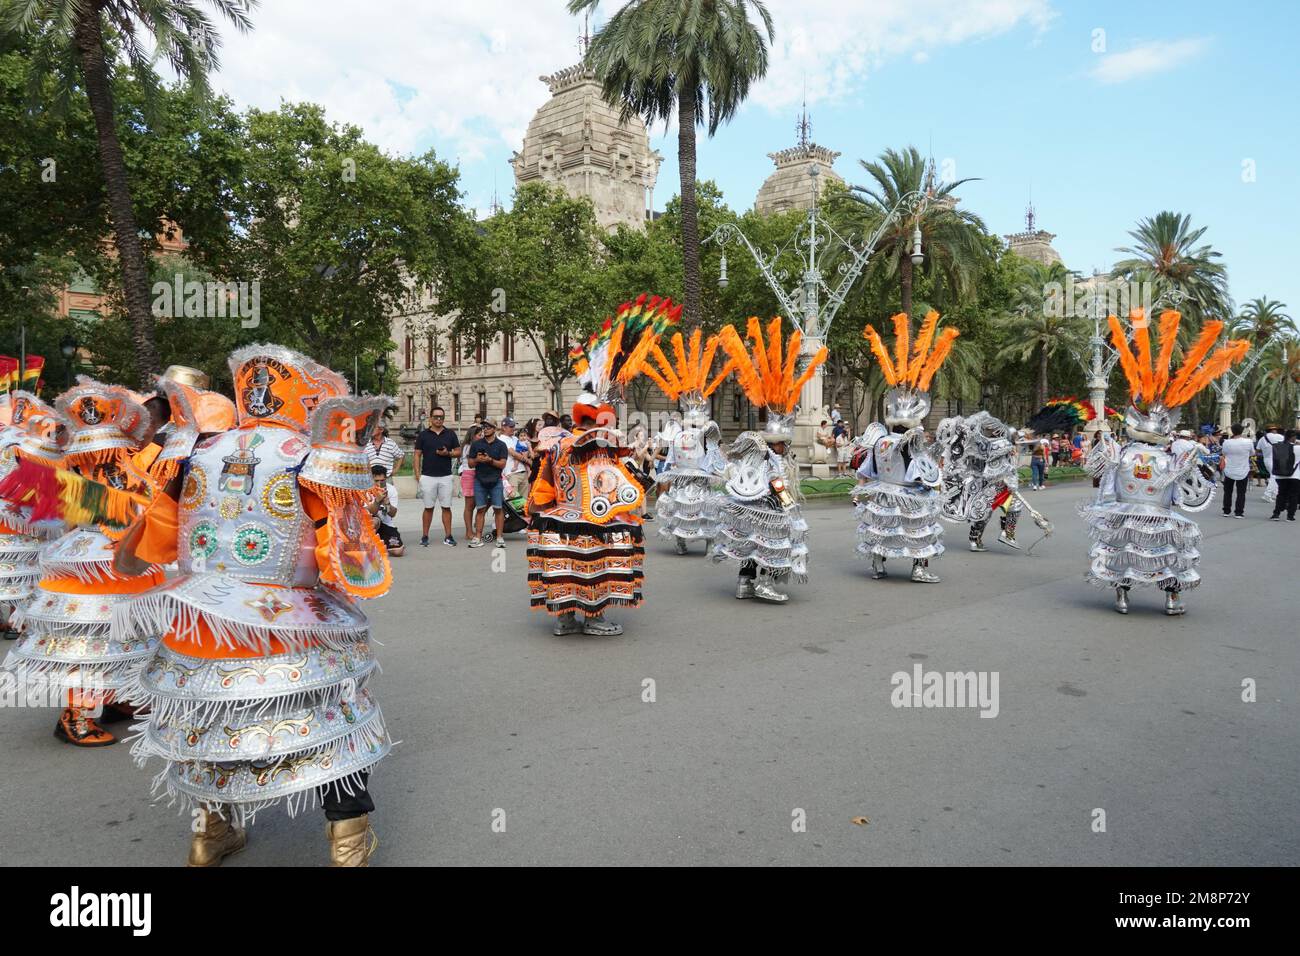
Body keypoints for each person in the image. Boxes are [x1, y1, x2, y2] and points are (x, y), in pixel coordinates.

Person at [113, 346, 395, 865]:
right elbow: (346, 556)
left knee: (208, 721)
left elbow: (158, 535)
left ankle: (211, 832)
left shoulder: (195, 448)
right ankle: (347, 837)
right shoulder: (312, 453)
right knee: (334, 716)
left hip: (203, 619)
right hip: (290, 622)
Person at [0, 378, 170, 747]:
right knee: (95, 636)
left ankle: (115, 698)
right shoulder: (114, 458)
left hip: (110, 552)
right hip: (99, 556)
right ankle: (75, 715)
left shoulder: (104, 457)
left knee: (125, 631)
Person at [526, 294, 675, 635]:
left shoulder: (556, 441)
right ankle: (592, 618)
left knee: (566, 569)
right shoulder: (599, 443)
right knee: (593, 567)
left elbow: (543, 484)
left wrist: (539, 509)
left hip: (559, 518)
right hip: (595, 519)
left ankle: (565, 619)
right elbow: (616, 484)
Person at [1082, 309, 1248, 615]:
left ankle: (1127, 597)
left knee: (1126, 556)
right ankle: (1170, 599)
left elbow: (1095, 472)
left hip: (1129, 514)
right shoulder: (1166, 455)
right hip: (1157, 516)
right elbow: (1194, 492)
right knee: (1167, 556)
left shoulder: (1131, 452)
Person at [711, 317, 827, 603]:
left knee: (751, 544)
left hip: (747, 509)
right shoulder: (773, 457)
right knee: (774, 546)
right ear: (782, 442)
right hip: (769, 511)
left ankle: (744, 583)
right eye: (784, 444)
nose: (785, 448)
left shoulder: (757, 450)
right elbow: (777, 484)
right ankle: (765, 584)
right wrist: (791, 508)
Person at [853, 311, 957, 583]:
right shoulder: (912, 443)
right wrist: (935, 484)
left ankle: (877, 564)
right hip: (908, 495)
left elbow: (867, 471)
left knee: (883, 529)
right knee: (920, 530)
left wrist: (862, 491)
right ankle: (920, 567)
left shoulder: (879, 440)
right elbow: (920, 472)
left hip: (883, 493)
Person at [617, 326, 729, 555]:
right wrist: (664, 468)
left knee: (707, 510)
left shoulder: (706, 432)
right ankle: (680, 540)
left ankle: (708, 542)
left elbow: (714, 449)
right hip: (682, 477)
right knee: (681, 509)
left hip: (701, 477)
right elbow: (667, 453)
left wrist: (719, 468)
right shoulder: (677, 433)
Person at [412, 407, 459, 547]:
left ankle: (448, 536)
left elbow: (458, 451)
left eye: (441, 417)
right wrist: (417, 473)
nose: (439, 419)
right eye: (436, 417)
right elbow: (417, 454)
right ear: (430, 418)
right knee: (428, 507)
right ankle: (425, 536)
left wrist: (448, 454)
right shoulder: (423, 435)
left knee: (446, 507)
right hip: (427, 476)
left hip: (445, 476)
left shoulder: (450, 434)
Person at [468, 420, 508, 548]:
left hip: (496, 480)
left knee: (498, 509)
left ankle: (500, 537)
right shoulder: (476, 444)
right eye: (484, 427)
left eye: (488, 427)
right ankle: (478, 537)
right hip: (479, 480)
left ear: (495, 428)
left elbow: (502, 464)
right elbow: (470, 463)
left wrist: (490, 460)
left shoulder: (501, 445)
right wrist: (477, 459)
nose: (485, 429)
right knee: (480, 509)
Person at [368, 463, 405, 556]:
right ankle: (368, 545)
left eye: (382, 480)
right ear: (371, 479)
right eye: (376, 480)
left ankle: (380, 543)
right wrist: (377, 501)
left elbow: (393, 514)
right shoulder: (365, 489)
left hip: (386, 524)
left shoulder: (391, 489)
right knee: (374, 521)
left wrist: (387, 504)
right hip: (369, 524)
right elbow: (371, 512)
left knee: (398, 552)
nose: (379, 483)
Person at [1219, 422, 1254, 517]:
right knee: (1241, 492)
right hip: (1243, 469)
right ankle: (1239, 512)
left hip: (1229, 469)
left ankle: (1226, 511)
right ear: (1242, 431)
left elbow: (1224, 453)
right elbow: (1252, 453)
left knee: (1227, 491)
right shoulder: (1248, 442)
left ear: (1232, 431)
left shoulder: (1226, 442)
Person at [497, 417, 532, 499]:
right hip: (512, 474)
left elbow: (525, 450)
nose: (513, 428)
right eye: (511, 427)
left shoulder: (515, 438)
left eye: (514, 426)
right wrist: (529, 462)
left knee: (524, 502)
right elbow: (513, 453)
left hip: (523, 472)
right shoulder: (501, 439)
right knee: (513, 501)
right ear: (504, 427)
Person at [459, 424, 482, 542]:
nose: (481, 437)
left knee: (480, 503)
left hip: (477, 475)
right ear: (473, 436)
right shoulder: (468, 447)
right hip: (469, 475)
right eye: (479, 435)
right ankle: (468, 531)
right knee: (469, 506)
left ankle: (475, 527)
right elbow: (471, 462)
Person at [1269, 429, 1299, 520]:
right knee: (1293, 496)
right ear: (1293, 437)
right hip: (1295, 476)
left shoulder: (1278, 446)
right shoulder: (1297, 448)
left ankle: (1276, 514)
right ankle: (1290, 516)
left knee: (1281, 494)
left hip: (1280, 475)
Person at [1256, 424, 1283, 501]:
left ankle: (1275, 493)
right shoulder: (1278, 436)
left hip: (1266, 460)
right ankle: (1267, 494)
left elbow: (1257, 451)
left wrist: (1266, 452)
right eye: (1275, 429)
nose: (1276, 431)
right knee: (1275, 476)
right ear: (1273, 430)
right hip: (1275, 460)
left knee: (1273, 475)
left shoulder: (1262, 439)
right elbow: (1289, 441)